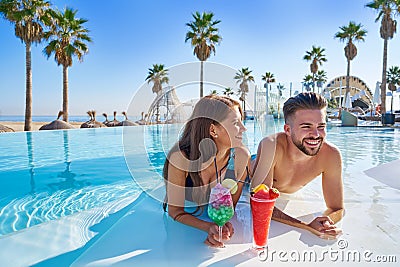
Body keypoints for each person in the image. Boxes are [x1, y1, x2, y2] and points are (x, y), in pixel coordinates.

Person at [251, 92, 344, 238]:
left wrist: (327, 223)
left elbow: (337, 208)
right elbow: (260, 203)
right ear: (287, 130)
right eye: (306, 127)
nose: (316, 134)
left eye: (321, 126)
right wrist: (305, 225)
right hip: (246, 173)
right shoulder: (271, 146)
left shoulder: (331, 155)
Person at [163, 95, 250, 247]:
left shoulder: (241, 157)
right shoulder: (180, 158)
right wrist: (207, 227)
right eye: (236, 123)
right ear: (212, 130)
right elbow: (175, 211)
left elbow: (230, 209)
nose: (244, 128)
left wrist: (221, 227)